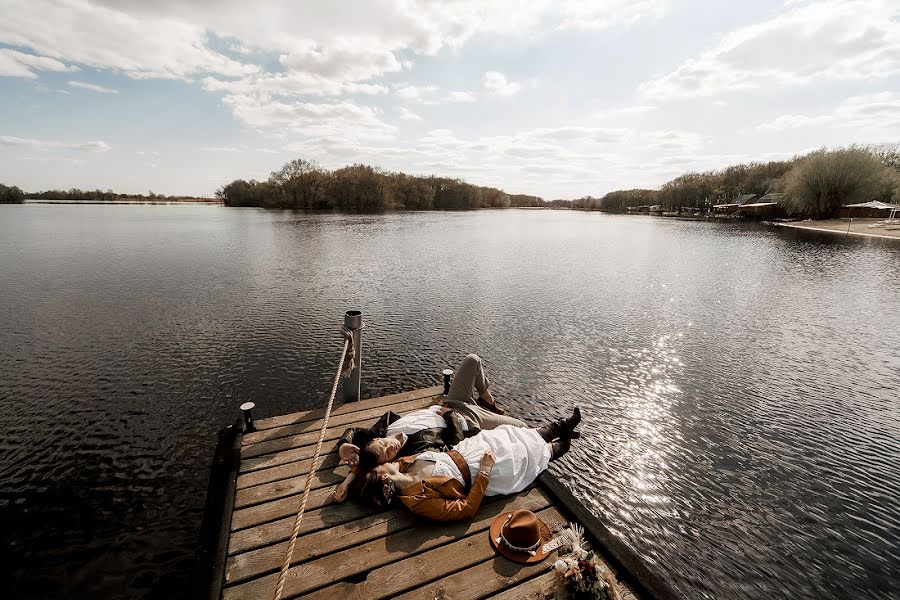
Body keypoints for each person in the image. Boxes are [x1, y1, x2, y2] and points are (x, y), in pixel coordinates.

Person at [332, 353, 526, 501]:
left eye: (383, 445)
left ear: (376, 439)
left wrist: (343, 446)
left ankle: (488, 401)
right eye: (387, 454)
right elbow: (456, 444)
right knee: (522, 427)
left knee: (472, 360)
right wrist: (349, 481)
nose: (390, 448)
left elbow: (355, 432)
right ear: (386, 462)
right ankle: (486, 411)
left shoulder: (386, 427)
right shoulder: (418, 451)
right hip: (467, 418)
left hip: (452, 400)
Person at [355, 407, 581, 521]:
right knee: (527, 456)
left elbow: (367, 461)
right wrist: (485, 470)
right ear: (384, 477)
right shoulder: (418, 501)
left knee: (512, 435)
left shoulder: (404, 463)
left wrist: (348, 479)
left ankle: (561, 425)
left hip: (467, 450)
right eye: (381, 465)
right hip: (480, 472)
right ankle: (565, 442)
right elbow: (466, 509)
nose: (387, 461)